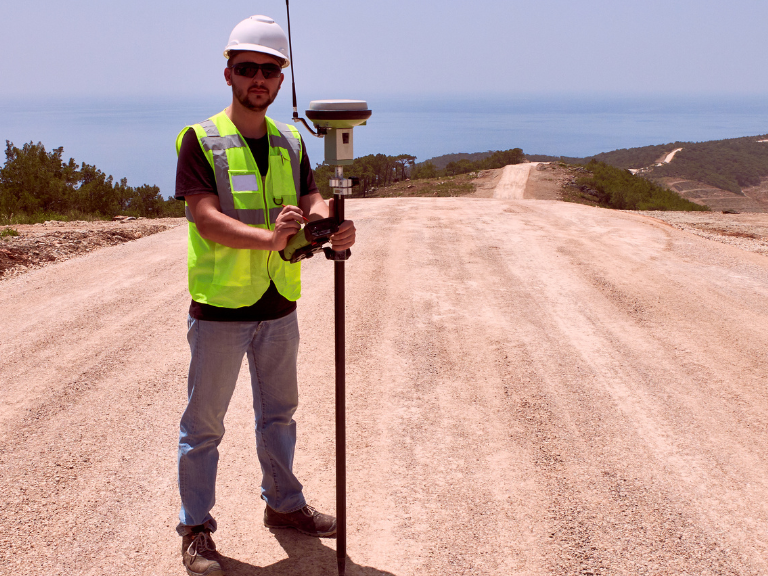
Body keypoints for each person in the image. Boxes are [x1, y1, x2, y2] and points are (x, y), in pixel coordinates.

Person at [173, 15, 355, 576]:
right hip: (221, 308)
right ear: (228, 73)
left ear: (281, 79)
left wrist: (330, 225)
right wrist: (270, 239)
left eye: (269, 69)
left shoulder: (290, 139)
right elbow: (205, 219)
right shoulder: (200, 139)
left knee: (279, 415)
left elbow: (311, 196)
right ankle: (196, 529)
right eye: (248, 68)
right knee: (205, 425)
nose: (258, 78)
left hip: (278, 305)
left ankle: (284, 505)